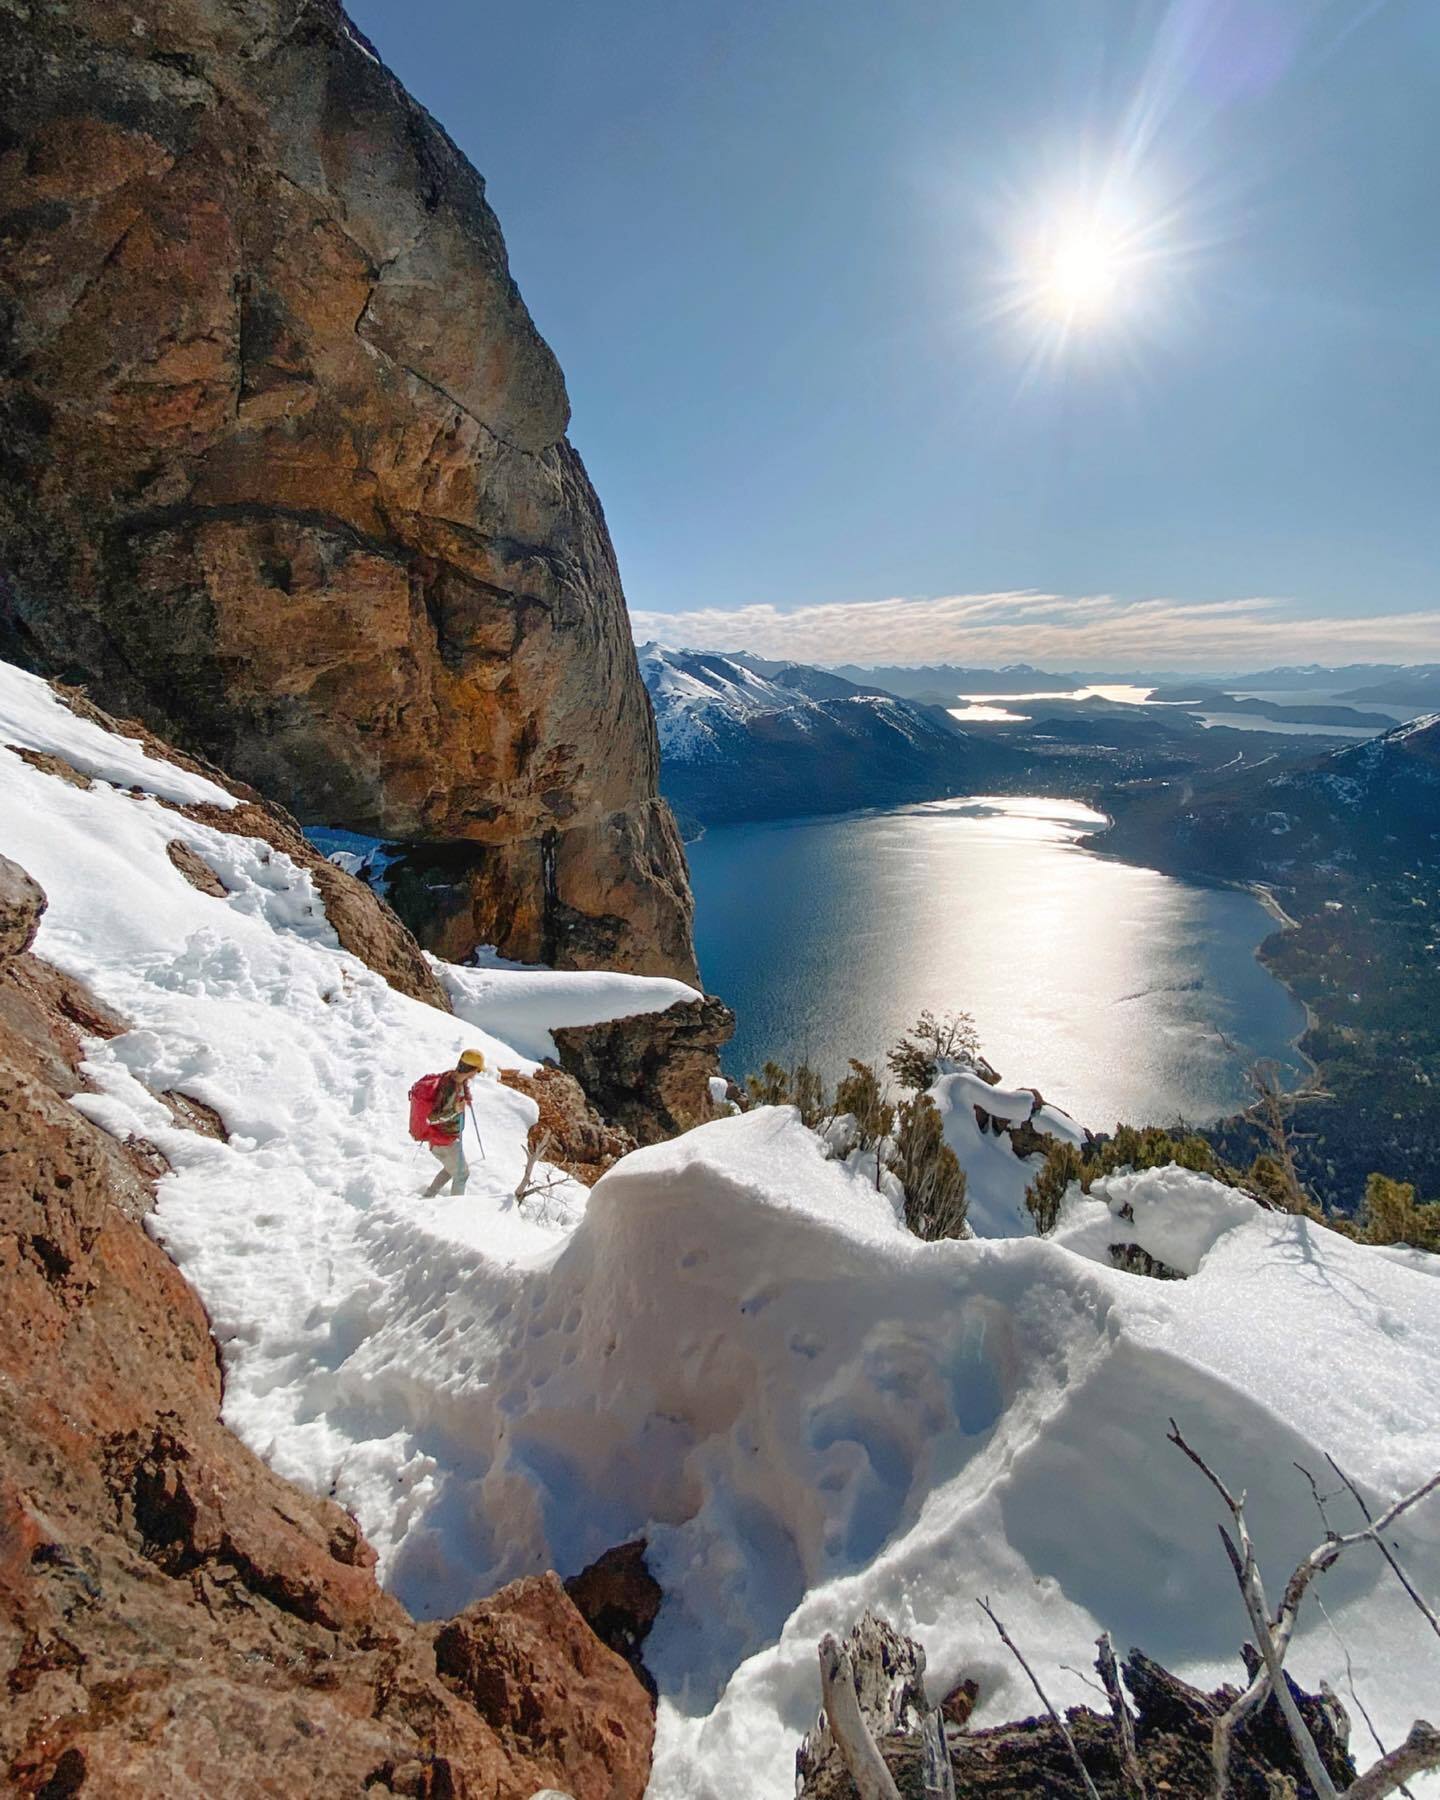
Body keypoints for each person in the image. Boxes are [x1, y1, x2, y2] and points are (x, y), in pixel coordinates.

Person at [422, 1049, 486, 1197]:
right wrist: (455, 1110)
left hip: (444, 1139)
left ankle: (428, 1196)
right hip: (444, 1141)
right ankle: (456, 1208)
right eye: (477, 1071)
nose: (477, 1074)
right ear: (471, 1070)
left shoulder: (454, 1077)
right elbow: (431, 1118)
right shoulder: (450, 1088)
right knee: (462, 1174)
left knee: (451, 1169)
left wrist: (465, 1094)